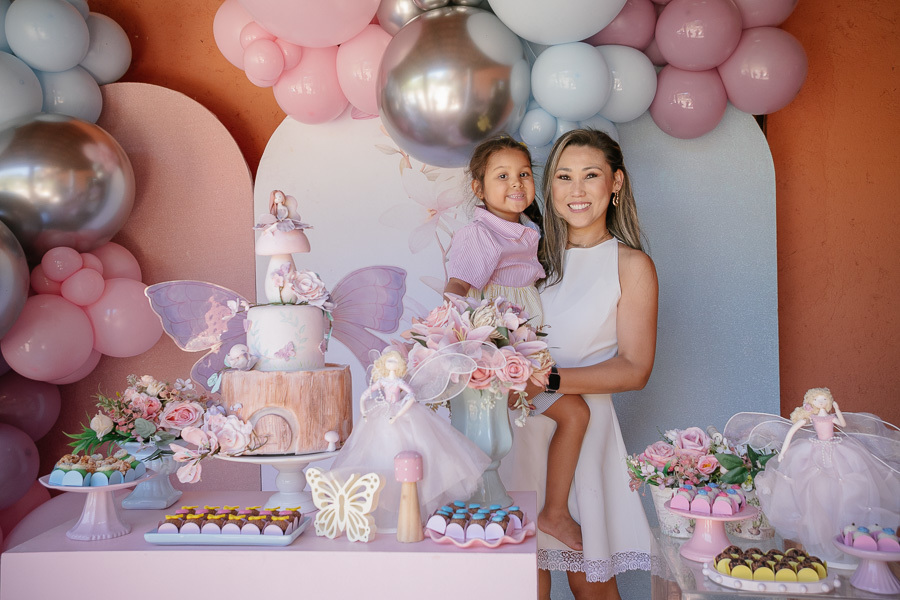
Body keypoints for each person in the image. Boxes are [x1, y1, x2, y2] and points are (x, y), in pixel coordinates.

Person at [499, 129, 658, 600]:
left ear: (616, 184)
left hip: (583, 434)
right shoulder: (526, 261)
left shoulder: (631, 265)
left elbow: (634, 367)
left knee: (591, 584)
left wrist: (546, 379)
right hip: (516, 427)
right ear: (550, 189)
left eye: (591, 176)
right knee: (520, 582)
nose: (577, 190)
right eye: (564, 177)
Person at [444, 134, 590, 551]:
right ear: (478, 187)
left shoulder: (522, 231)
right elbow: (457, 287)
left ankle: (552, 512)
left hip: (526, 353)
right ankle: (510, 513)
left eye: (524, 174)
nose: (516, 183)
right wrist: (468, 344)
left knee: (574, 415)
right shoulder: (482, 235)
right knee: (496, 440)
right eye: (502, 175)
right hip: (498, 355)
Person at [328, 350, 491, 533]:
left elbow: (411, 397)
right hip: (380, 415)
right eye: (389, 362)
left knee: (418, 452)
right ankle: (381, 511)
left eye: (395, 362)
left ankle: (411, 513)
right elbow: (364, 395)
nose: (392, 365)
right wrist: (364, 412)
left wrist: (398, 413)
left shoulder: (399, 383)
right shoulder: (381, 381)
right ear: (383, 363)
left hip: (400, 416)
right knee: (377, 456)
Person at [748, 387, 900, 564]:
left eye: (824, 400)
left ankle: (845, 535)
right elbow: (792, 431)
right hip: (813, 450)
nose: (821, 403)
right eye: (818, 400)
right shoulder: (810, 418)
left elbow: (842, 425)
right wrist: (783, 452)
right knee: (814, 488)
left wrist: (837, 409)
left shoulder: (831, 416)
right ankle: (819, 538)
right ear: (811, 402)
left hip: (837, 449)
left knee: (844, 486)